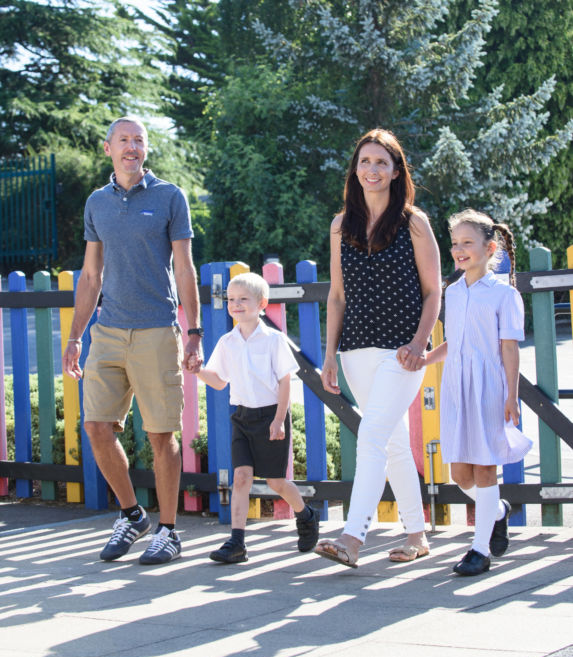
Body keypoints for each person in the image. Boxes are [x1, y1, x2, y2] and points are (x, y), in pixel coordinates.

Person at [63, 116, 202, 565]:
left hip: (157, 330)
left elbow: (184, 268)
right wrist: (75, 337)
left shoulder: (169, 197)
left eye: (139, 140)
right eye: (124, 140)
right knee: (96, 427)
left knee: (162, 434)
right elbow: (90, 274)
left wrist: (194, 330)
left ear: (146, 149)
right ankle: (132, 514)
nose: (132, 147)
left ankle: (168, 530)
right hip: (107, 331)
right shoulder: (97, 203)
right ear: (108, 149)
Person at [315, 128, 441, 568]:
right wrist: (330, 355)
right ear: (355, 169)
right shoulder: (340, 225)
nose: (372, 170)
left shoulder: (414, 222)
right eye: (365, 162)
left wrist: (419, 342)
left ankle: (352, 537)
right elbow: (337, 295)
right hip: (354, 351)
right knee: (391, 444)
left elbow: (433, 291)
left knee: (370, 436)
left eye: (381, 163)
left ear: (395, 171)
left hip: (400, 352)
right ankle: (417, 535)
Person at [424, 209, 532, 576]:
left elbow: (509, 348)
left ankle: (479, 549)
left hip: (488, 387)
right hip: (456, 386)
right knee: (460, 475)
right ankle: (497, 511)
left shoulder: (503, 295)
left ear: (490, 248)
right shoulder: (452, 293)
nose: (459, 250)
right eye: (455, 243)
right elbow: (455, 343)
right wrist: (425, 361)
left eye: (467, 243)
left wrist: (510, 396)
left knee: (486, 469)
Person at [194, 272, 320, 563]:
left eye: (243, 299)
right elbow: (218, 381)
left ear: (261, 303)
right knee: (241, 477)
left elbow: (285, 382)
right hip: (241, 417)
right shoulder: (227, 342)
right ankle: (236, 542)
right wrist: (196, 370)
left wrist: (278, 419)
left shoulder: (274, 340)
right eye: (231, 300)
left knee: (276, 482)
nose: (236, 305)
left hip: (270, 417)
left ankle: (306, 515)